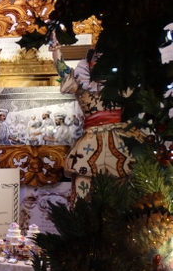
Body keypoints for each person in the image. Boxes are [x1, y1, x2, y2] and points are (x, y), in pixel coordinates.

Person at [49, 31, 144, 201]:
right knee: (83, 177)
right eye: (95, 61)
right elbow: (63, 70)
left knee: (124, 180)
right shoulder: (80, 85)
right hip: (91, 140)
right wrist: (56, 50)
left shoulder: (121, 86)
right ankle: (82, 212)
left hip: (119, 137)